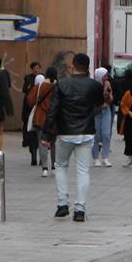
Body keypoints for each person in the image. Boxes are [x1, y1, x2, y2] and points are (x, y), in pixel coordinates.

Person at [45, 53, 106, 222]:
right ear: (87, 68)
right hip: (86, 132)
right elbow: (100, 104)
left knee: (61, 166)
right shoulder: (94, 86)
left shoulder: (62, 85)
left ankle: (62, 204)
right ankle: (80, 209)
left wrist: (46, 134)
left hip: (65, 132)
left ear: (73, 66)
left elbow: (52, 111)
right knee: (83, 170)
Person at [27, 67, 58, 177]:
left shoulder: (40, 86)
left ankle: (44, 168)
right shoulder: (58, 87)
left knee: (42, 143)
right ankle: (54, 166)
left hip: (41, 118)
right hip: (54, 119)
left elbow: (30, 101)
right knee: (54, 143)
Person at [20, 62, 44, 166]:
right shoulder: (28, 78)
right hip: (30, 110)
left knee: (39, 135)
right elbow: (24, 90)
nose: (36, 70)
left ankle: (41, 158)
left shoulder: (44, 79)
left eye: (38, 68)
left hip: (39, 112)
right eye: (34, 68)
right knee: (32, 134)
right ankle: (34, 156)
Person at [91, 67, 114, 166]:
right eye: (105, 75)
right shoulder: (93, 85)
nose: (106, 77)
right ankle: (96, 158)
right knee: (96, 135)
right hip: (96, 111)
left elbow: (111, 98)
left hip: (106, 110)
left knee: (106, 134)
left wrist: (108, 94)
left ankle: (105, 157)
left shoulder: (107, 84)